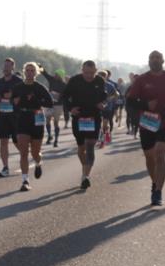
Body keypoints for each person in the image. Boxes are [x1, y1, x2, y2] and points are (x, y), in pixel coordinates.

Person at [124, 51, 165, 206]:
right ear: (148, 61)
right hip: (147, 122)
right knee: (149, 156)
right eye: (152, 58)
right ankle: (155, 182)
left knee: (160, 154)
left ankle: (158, 191)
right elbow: (130, 101)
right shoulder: (142, 80)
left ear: (163, 60)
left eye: (157, 57)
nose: (155, 60)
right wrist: (145, 105)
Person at [59, 60, 108, 190]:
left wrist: (102, 104)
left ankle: (86, 176)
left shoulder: (99, 81)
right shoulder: (75, 80)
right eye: (86, 73)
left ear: (95, 71)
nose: (89, 76)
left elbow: (104, 96)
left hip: (94, 116)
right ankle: (85, 170)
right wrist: (70, 109)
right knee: (81, 148)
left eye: (92, 73)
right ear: (82, 70)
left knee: (90, 145)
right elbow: (64, 96)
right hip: (79, 116)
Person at [12, 62, 54, 191]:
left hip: (36, 118)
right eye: (27, 70)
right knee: (23, 152)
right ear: (24, 72)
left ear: (36, 73)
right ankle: (25, 180)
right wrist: (16, 102)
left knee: (35, 152)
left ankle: (38, 162)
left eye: (32, 71)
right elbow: (13, 103)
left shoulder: (40, 88)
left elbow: (50, 102)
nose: (29, 73)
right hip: (23, 118)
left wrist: (37, 100)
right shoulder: (18, 87)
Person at [0, 58, 23, 177]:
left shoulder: (18, 81)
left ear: (12, 67)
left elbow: (22, 96)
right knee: (3, 141)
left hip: (16, 116)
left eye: (8, 66)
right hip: (3, 115)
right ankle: (5, 167)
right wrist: (2, 97)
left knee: (17, 142)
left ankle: (25, 157)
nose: (5, 68)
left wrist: (12, 97)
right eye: (4, 66)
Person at [40, 65, 67, 148]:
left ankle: (56, 140)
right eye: (55, 74)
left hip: (58, 105)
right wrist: (40, 67)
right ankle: (49, 136)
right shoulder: (52, 80)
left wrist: (59, 95)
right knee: (47, 121)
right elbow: (45, 74)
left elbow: (66, 95)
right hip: (49, 104)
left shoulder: (64, 85)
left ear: (60, 76)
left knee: (56, 123)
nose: (55, 75)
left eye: (57, 74)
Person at [125, 72, 140, 137]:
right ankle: (131, 129)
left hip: (138, 106)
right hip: (130, 105)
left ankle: (135, 132)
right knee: (131, 118)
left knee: (137, 119)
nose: (136, 80)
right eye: (135, 79)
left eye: (137, 79)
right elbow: (126, 95)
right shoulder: (131, 87)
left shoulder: (142, 87)